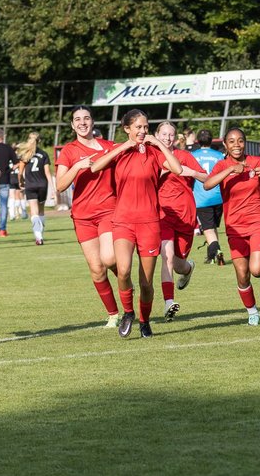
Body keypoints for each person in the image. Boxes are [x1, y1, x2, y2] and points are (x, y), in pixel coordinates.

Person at [91, 109, 183, 338]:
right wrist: (124, 146)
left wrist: (160, 144)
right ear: (127, 129)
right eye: (138, 127)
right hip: (123, 221)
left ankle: (144, 321)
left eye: (145, 127)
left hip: (149, 223)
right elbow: (95, 167)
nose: (143, 131)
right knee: (122, 271)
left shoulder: (153, 152)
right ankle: (128, 313)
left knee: (146, 282)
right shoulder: (118, 151)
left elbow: (178, 168)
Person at [203, 127, 260, 325]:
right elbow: (207, 184)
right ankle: (252, 311)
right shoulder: (222, 165)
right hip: (234, 227)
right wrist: (230, 170)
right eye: (231, 141)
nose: (236, 145)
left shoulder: (256, 162)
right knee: (242, 274)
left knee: (255, 269)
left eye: (240, 141)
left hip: (258, 221)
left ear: (245, 142)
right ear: (225, 144)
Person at [55, 106, 122, 327]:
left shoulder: (109, 147)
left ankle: (126, 280)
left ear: (92, 122)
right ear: (73, 125)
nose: (82, 122)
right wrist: (77, 166)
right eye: (77, 119)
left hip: (108, 211)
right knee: (96, 268)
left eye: (86, 118)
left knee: (110, 258)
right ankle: (113, 314)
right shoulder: (69, 151)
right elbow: (60, 185)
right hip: (83, 217)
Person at [155, 121, 208, 320]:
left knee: (178, 264)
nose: (167, 138)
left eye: (171, 135)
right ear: (157, 135)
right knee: (167, 256)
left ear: (176, 138)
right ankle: (169, 302)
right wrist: (164, 171)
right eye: (164, 134)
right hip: (162, 215)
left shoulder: (185, 156)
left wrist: (191, 172)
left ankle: (188, 268)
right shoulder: (153, 157)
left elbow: (206, 177)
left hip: (185, 216)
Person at [190, 129, 226, 265]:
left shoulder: (193, 155)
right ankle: (213, 254)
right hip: (218, 197)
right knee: (212, 227)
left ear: (197, 141)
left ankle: (216, 250)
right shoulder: (219, 155)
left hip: (202, 198)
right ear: (212, 140)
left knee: (208, 229)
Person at [17, 131, 54, 245]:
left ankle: (39, 237)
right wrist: (52, 189)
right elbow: (48, 173)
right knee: (41, 210)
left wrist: (21, 182)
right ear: (40, 141)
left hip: (30, 185)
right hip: (42, 185)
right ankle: (40, 234)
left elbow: (20, 172)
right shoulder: (43, 154)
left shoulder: (25, 154)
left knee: (34, 211)